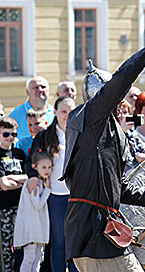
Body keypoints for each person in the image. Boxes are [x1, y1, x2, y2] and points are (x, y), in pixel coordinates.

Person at [61, 31, 145, 271]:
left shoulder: (111, 131)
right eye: (114, 98)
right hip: (93, 234)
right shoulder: (88, 119)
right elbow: (122, 79)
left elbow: (124, 190)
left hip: (98, 234)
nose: (120, 105)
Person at [26, 96, 77, 272]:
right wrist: (33, 175)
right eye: (63, 111)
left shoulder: (79, 133)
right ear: (54, 112)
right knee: (59, 241)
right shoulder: (45, 135)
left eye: (71, 111)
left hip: (77, 197)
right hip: (55, 197)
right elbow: (31, 159)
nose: (67, 115)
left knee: (75, 242)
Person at [14, 151, 52, 272]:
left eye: (50, 167)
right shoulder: (33, 184)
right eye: (44, 167)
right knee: (30, 258)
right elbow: (38, 204)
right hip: (31, 230)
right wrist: (47, 190)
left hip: (37, 230)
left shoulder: (40, 182)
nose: (47, 170)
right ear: (34, 166)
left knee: (37, 259)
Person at [0, 117, 27, 272]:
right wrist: (21, 181)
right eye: (6, 134)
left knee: (21, 247)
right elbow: (3, 184)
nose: (10, 138)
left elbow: (29, 177)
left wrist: (13, 179)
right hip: (4, 209)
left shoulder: (19, 154)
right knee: (6, 249)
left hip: (22, 207)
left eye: (14, 134)